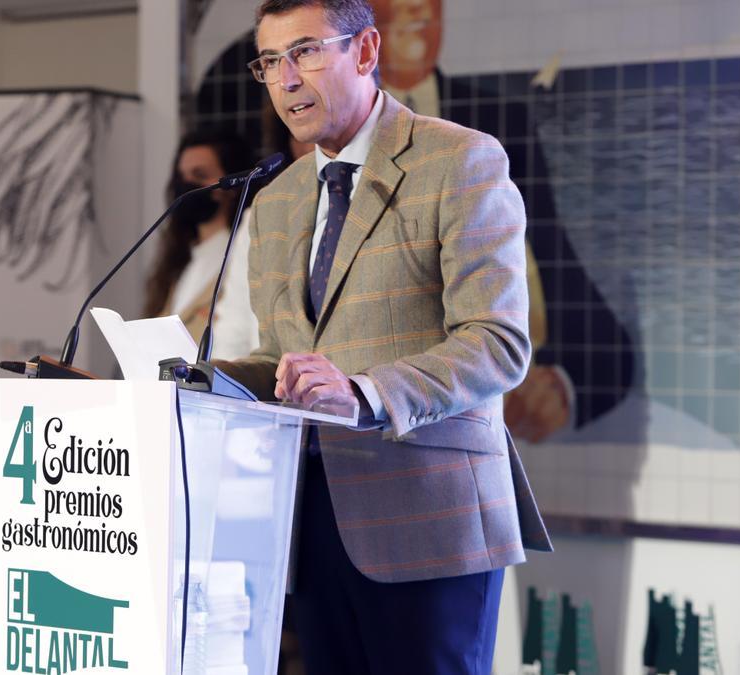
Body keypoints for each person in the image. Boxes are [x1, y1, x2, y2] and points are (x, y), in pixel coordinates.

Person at [217, 0, 551, 671]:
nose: (286, 80)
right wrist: (192, 382)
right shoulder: (275, 202)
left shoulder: (458, 160)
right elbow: (279, 357)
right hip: (310, 528)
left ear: (365, 52)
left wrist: (364, 393)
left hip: (430, 521)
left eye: (305, 52)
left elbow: (496, 339)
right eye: (271, 62)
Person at [369, 0, 637, 442]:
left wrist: (566, 383)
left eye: (428, 4)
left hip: (484, 396)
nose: (417, 12)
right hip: (377, 397)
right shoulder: (341, 137)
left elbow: (548, 253)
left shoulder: (500, 122)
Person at [143, 129, 260, 361]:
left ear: (232, 185)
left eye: (200, 175)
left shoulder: (243, 251)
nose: (187, 184)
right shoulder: (178, 262)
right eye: (182, 176)